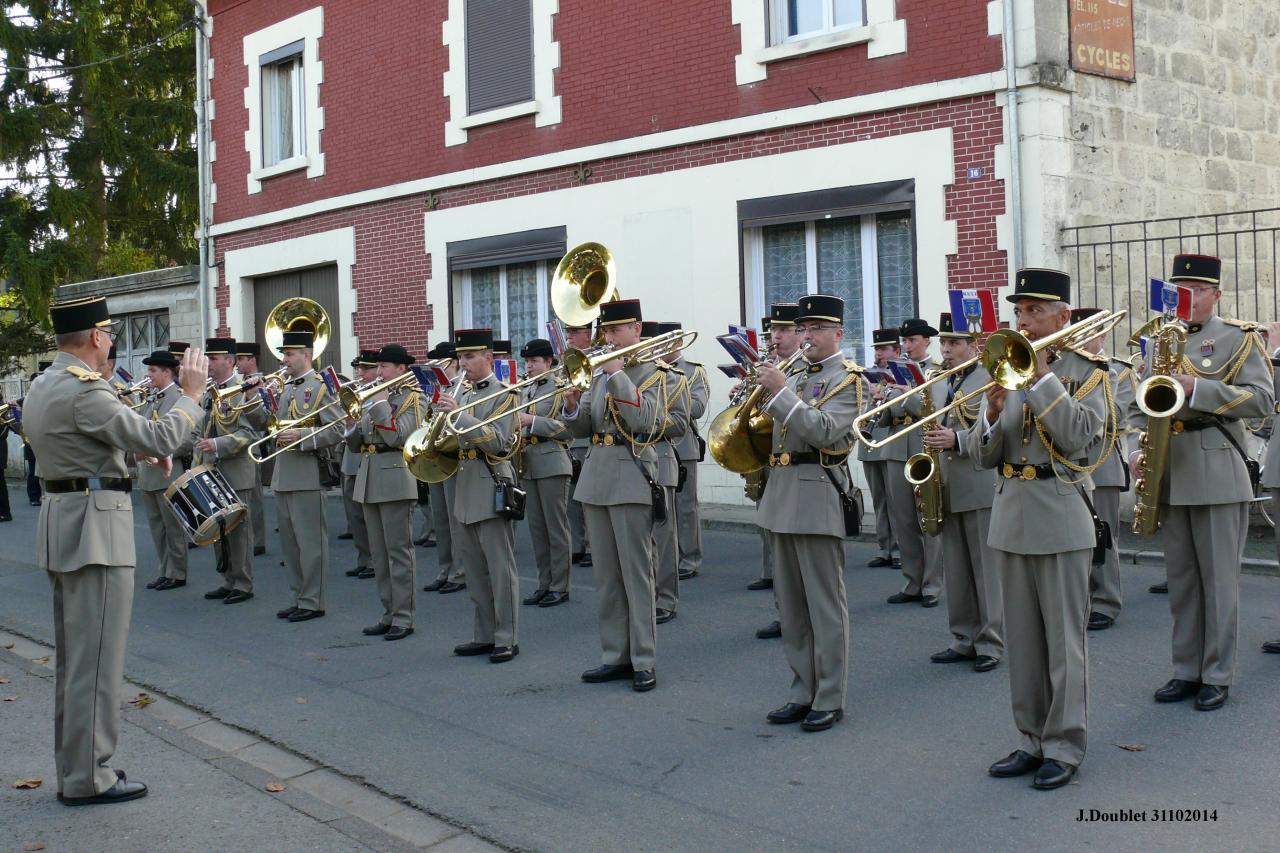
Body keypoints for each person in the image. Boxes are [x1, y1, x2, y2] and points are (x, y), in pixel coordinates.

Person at [23, 295, 208, 805]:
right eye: (108, 334)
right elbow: (162, 434)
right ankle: (89, 777)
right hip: (94, 532)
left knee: (76, 661)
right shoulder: (86, 389)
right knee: (98, 663)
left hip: (65, 525)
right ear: (96, 336)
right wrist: (191, 395)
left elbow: (78, 443)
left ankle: (76, 768)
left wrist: (130, 452)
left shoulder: (46, 383)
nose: (110, 342)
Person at [975, 268, 1107, 790]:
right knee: (1025, 643)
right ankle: (1030, 738)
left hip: (1060, 514)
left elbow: (1077, 436)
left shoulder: (1087, 372)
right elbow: (983, 455)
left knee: (1064, 643)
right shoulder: (1005, 368)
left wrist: (1043, 377)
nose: (1024, 321)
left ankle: (1064, 745)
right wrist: (990, 416)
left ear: (1062, 316)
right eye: (1020, 312)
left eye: (1034, 311)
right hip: (1011, 517)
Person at [1126, 254, 1274, 711]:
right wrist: (1134, 449)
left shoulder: (1238, 338)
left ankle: (1217, 674)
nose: (1186, 298)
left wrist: (1198, 388)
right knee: (1183, 580)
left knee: (1218, 583)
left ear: (1217, 294)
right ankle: (1186, 669)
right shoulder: (1157, 339)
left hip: (1216, 470)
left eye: (1196, 290)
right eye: (1179, 290)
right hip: (1170, 468)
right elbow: (1136, 405)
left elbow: (1262, 400)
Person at [756, 294, 867, 732]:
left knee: (824, 605)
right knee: (792, 607)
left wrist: (780, 392)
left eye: (817, 329)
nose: (807, 336)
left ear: (838, 333)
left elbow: (823, 432)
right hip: (781, 495)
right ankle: (802, 689)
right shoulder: (796, 374)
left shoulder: (850, 380)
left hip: (818, 496)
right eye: (803, 329)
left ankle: (830, 696)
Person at [562, 299, 665, 692]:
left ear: (636, 329)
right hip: (597, 476)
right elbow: (584, 427)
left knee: (636, 575)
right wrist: (572, 406)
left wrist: (618, 373)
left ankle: (643, 659)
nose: (609, 337)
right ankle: (614, 655)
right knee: (606, 578)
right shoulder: (599, 373)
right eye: (605, 331)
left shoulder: (654, 370)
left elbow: (645, 421)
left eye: (616, 330)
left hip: (631, 474)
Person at [920, 313, 1002, 672]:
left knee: (986, 571)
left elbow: (997, 429)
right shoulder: (940, 379)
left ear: (973, 344)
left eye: (954, 342)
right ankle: (963, 638)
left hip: (979, 481)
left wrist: (956, 439)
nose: (946, 349)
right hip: (947, 483)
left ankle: (991, 642)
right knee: (956, 569)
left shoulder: (992, 377)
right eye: (943, 343)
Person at [439, 329, 521, 662]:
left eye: (470, 357)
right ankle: (484, 634)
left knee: (500, 570)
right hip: (464, 486)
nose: (463, 363)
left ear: (488, 357)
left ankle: (507, 637)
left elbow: (498, 442)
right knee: (474, 570)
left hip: (491, 484)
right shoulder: (461, 392)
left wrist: (459, 415)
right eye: (460, 357)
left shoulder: (505, 394)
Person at [352, 344, 424, 641]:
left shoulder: (414, 398)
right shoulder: (375, 396)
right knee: (379, 555)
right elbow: (357, 443)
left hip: (395, 478)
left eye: (383, 367)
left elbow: (399, 438)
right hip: (369, 478)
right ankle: (388, 613)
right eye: (377, 367)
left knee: (399, 552)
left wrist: (380, 404)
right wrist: (350, 423)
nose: (378, 372)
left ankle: (404, 617)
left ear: (401, 369)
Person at [1070, 308, 1137, 631]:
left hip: (1101, 460)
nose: (1082, 341)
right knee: (1075, 536)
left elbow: (1114, 414)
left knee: (1104, 534)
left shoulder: (1119, 372)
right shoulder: (1064, 368)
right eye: (1078, 334)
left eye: (1090, 334)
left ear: (1103, 336)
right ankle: (1080, 598)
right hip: (1069, 462)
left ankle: (1106, 601)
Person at [271, 330, 344, 622]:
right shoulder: (286, 387)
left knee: (311, 544)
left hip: (308, 474)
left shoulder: (322, 386)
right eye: (284, 354)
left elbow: (338, 429)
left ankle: (314, 601)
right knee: (290, 546)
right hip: (283, 474)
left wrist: (302, 436)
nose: (285, 359)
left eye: (290, 354)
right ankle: (298, 596)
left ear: (307, 355)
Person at [195, 337, 264, 605]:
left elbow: (251, 433)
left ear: (230, 361)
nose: (209, 364)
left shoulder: (243, 390)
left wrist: (218, 444)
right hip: (212, 469)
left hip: (236, 470)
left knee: (240, 531)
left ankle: (243, 583)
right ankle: (228, 580)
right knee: (219, 529)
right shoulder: (210, 392)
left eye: (213, 359)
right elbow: (201, 429)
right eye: (208, 359)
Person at [884, 317, 944, 607]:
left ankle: (932, 584)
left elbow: (929, 409)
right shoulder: (895, 371)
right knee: (904, 519)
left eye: (912, 340)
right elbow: (891, 413)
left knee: (927, 517)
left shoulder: (936, 371)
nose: (907, 346)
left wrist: (903, 395)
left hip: (924, 446)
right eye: (905, 341)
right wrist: (883, 397)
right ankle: (912, 581)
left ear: (926, 341)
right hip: (898, 447)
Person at [754, 305, 802, 640]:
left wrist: (778, 389)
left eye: (784, 330)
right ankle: (784, 613)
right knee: (777, 547)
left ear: (800, 334)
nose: (777, 336)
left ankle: (803, 618)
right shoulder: (773, 368)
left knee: (801, 555)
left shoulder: (805, 370)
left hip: (802, 468)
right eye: (774, 330)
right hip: (773, 464)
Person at [516, 338, 574, 608]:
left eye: (534, 361)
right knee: (538, 530)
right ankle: (544, 583)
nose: (529, 366)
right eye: (527, 362)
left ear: (549, 362)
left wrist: (533, 421)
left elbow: (568, 429)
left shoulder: (562, 387)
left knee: (556, 528)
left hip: (552, 461)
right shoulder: (526, 388)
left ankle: (560, 586)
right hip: (529, 462)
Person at [643, 321, 689, 624]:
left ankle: (666, 599)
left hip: (659, 457)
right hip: (630, 462)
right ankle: (644, 595)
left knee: (663, 536)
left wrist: (644, 416)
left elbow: (680, 423)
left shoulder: (671, 378)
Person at [137, 348, 193, 590]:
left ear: (167, 372)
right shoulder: (152, 398)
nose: (148, 375)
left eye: (152, 370)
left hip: (168, 473)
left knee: (173, 528)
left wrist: (163, 453)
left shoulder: (178, 398)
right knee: (157, 528)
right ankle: (164, 570)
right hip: (148, 475)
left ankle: (177, 573)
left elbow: (189, 438)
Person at [663, 321, 709, 585]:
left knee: (685, 506)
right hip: (656, 444)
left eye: (667, 343)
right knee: (663, 507)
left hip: (683, 444)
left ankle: (689, 558)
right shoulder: (650, 370)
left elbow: (698, 407)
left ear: (679, 342)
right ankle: (667, 558)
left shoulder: (693, 371)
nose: (661, 349)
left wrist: (666, 397)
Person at [421, 341, 468, 594]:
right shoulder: (439, 388)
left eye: (437, 362)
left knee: (454, 519)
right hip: (436, 456)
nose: (433, 366)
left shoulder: (464, 386)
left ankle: (460, 572)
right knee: (440, 519)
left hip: (455, 457)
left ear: (452, 362)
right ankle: (445, 569)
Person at [858, 328, 903, 569]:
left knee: (896, 501)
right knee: (879, 500)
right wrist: (870, 395)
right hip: (869, 442)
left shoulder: (903, 374)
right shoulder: (867, 376)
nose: (878, 354)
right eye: (876, 349)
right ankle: (884, 548)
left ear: (896, 350)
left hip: (891, 441)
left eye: (884, 349)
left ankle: (899, 550)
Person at [341, 351, 380, 579]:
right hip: (351, 460)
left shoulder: (382, 394)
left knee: (370, 518)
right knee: (355, 516)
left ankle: (375, 561)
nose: (360, 373)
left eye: (366, 369)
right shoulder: (355, 392)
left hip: (371, 459)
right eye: (359, 369)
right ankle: (364, 558)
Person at [563, 322, 594, 568]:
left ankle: (593, 546)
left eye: (574, 332)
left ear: (588, 334)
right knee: (573, 499)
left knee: (589, 497)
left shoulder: (598, 361)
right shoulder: (567, 362)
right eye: (568, 333)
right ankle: (577, 545)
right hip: (571, 437)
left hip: (588, 438)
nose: (569, 337)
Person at [235, 340, 268, 557]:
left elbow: (264, 416)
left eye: (240, 359)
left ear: (252, 360)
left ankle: (257, 540)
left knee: (254, 497)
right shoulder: (239, 384)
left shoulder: (264, 383)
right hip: (238, 444)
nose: (237, 363)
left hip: (253, 444)